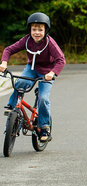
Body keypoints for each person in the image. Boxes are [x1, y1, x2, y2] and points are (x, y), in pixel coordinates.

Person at [0, 12, 66, 143]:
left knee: (43, 98)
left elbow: (61, 60)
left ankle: (44, 128)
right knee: (19, 83)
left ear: (46, 30)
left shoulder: (50, 44)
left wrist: (52, 73)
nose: (37, 32)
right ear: (29, 30)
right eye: (34, 29)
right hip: (32, 68)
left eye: (40, 29)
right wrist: (4, 62)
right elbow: (8, 50)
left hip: (46, 72)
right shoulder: (27, 40)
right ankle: (12, 106)